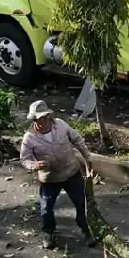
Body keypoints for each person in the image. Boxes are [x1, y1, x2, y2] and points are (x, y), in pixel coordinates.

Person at [19, 100, 96, 249]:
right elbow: (24, 159)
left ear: (48, 116)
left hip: (71, 172)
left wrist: (87, 157)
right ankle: (49, 232)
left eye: (43, 118)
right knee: (46, 208)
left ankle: (87, 231)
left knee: (81, 203)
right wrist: (34, 165)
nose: (40, 123)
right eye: (37, 120)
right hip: (50, 178)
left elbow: (77, 140)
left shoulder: (61, 125)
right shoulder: (29, 138)